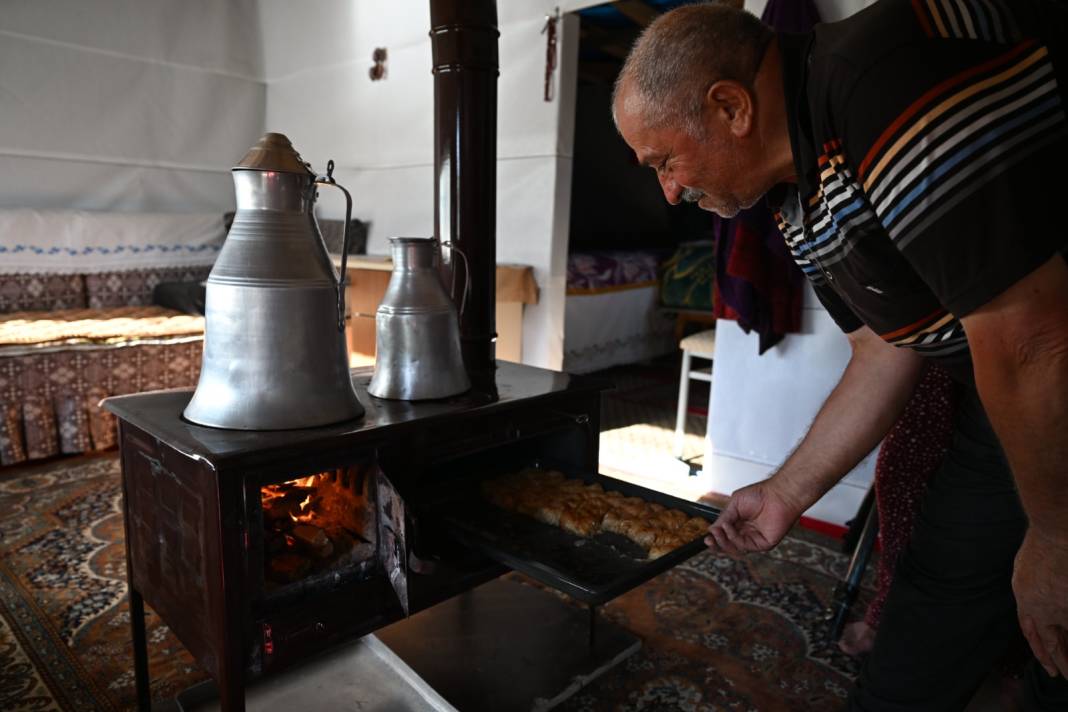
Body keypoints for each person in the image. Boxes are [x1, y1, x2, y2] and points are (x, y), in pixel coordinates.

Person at [612, 1, 1068, 710]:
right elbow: (883, 347)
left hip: (1048, 370)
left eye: (664, 161)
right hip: (1009, 391)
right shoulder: (794, 191)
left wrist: (1056, 534)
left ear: (730, 106)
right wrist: (787, 491)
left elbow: (1033, 336)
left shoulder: (879, 80)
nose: (669, 191)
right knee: (929, 611)